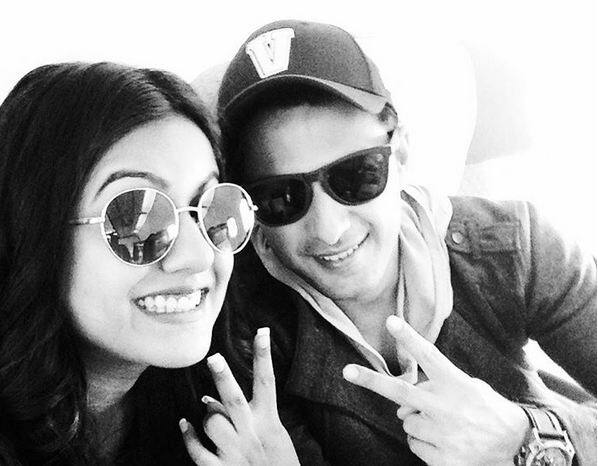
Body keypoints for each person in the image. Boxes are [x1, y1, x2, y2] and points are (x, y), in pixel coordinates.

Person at [215, 20, 597, 465]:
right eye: (282, 197)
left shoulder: (517, 245)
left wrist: (528, 439)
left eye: (356, 175)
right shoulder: (244, 332)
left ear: (400, 153)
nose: (329, 229)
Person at [0, 62, 299, 465]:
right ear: (33, 233)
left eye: (212, 208)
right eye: (136, 217)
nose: (198, 256)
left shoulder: (237, 413)